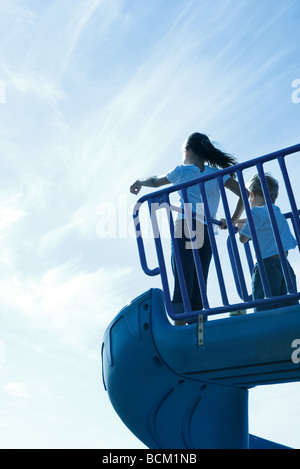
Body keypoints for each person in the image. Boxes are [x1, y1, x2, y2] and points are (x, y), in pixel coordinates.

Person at [130, 132, 245, 324]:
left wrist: (140, 181)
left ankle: (179, 331)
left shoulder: (182, 171)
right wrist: (233, 220)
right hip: (206, 232)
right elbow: (245, 194)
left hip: (185, 226)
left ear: (188, 151)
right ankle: (198, 334)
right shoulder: (216, 174)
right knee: (199, 286)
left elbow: (156, 181)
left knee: (183, 282)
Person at [236, 173, 298, 311]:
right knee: (288, 309)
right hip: (285, 266)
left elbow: (243, 238)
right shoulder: (276, 211)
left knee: (264, 309)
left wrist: (240, 227)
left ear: (252, 194)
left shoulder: (255, 213)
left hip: (266, 266)